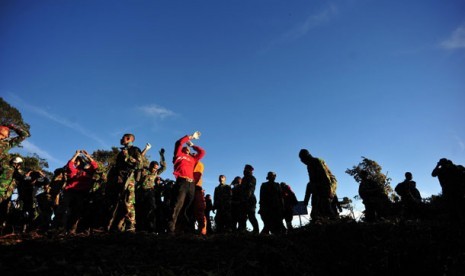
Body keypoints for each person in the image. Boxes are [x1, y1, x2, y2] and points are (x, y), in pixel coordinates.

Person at [168, 131, 205, 234]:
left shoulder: (193, 159)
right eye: (186, 148)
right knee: (177, 205)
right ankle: (171, 229)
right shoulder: (179, 155)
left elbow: (202, 153)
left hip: (191, 184)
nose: (188, 149)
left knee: (188, 207)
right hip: (182, 182)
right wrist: (191, 137)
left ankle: (186, 229)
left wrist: (193, 145)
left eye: (189, 149)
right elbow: (179, 143)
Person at [106, 134, 144, 232]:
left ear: (128, 139)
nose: (121, 139)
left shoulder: (135, 150)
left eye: (123, 138)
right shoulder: (121, 152)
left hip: (129, 179)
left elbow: (139, 164)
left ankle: (130, 225)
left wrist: (127, 156)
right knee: (118, 202)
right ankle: (117, 226)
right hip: (118, 180)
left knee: (128, 202)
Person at [0, 124, 29, 230]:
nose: (9, 133)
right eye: (7, 131)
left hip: (4, 189)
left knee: (3, 211)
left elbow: (24, 135)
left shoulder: (5, 144)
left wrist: (13, 126)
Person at [63, 150, 98, 234]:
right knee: (65, 210)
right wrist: (76, 155)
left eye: (77, 161)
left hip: (82, 194)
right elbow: (70, 164)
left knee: (77, 212)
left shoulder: (87, 171)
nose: (75, 163)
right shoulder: (73, 170)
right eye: (75, 161)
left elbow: (95, 166)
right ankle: (61, 229)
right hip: (70, 192)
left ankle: (72, 230)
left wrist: (88, 156)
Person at [299, 149, 338, 222]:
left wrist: (329, 192)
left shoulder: (316, 161)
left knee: (326, 207)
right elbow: (312, 182)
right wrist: (306, 202)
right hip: (319, 186)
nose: (302, 161)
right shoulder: (309, 165)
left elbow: (326, 177)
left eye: (302, 159)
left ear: (305, 157)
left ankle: (334, 222)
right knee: (316, 209)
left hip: (328, 185)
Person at [135, 148, 166, 233]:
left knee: (151, 209)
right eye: (153, 168)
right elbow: (139, 160)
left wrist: (162, 156)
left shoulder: (156, 173)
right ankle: (139, 228)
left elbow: (164, 167)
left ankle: (151, 229)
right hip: (140, 191)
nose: (155, 169)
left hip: (150, 192)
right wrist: (146, 150)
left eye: (156, 168)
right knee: (140, 209)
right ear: (150, 166)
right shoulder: (143, 170)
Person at [432, 158, 465, 224]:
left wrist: (438, 165)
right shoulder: (453, 168)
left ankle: (455, 223)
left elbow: (433, 174)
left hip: (451, 191)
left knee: (453, 208)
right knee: (458, 207)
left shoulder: (441, 170)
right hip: (456, 190)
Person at [240, 164, 259, 233]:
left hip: (250, 200)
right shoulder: (244, 179)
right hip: (244, 200)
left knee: (251, 216)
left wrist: (246, 199)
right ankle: (243, 230)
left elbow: (250, 190)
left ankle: (256, 231)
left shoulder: (251, 178)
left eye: (246, 170)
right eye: (244, 170)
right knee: (243, 217)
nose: (244, 171)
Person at [191, 160, 207, 235]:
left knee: (199, 211)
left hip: (197, 189)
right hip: (188, 188)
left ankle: (202, 232)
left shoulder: (199, 164)